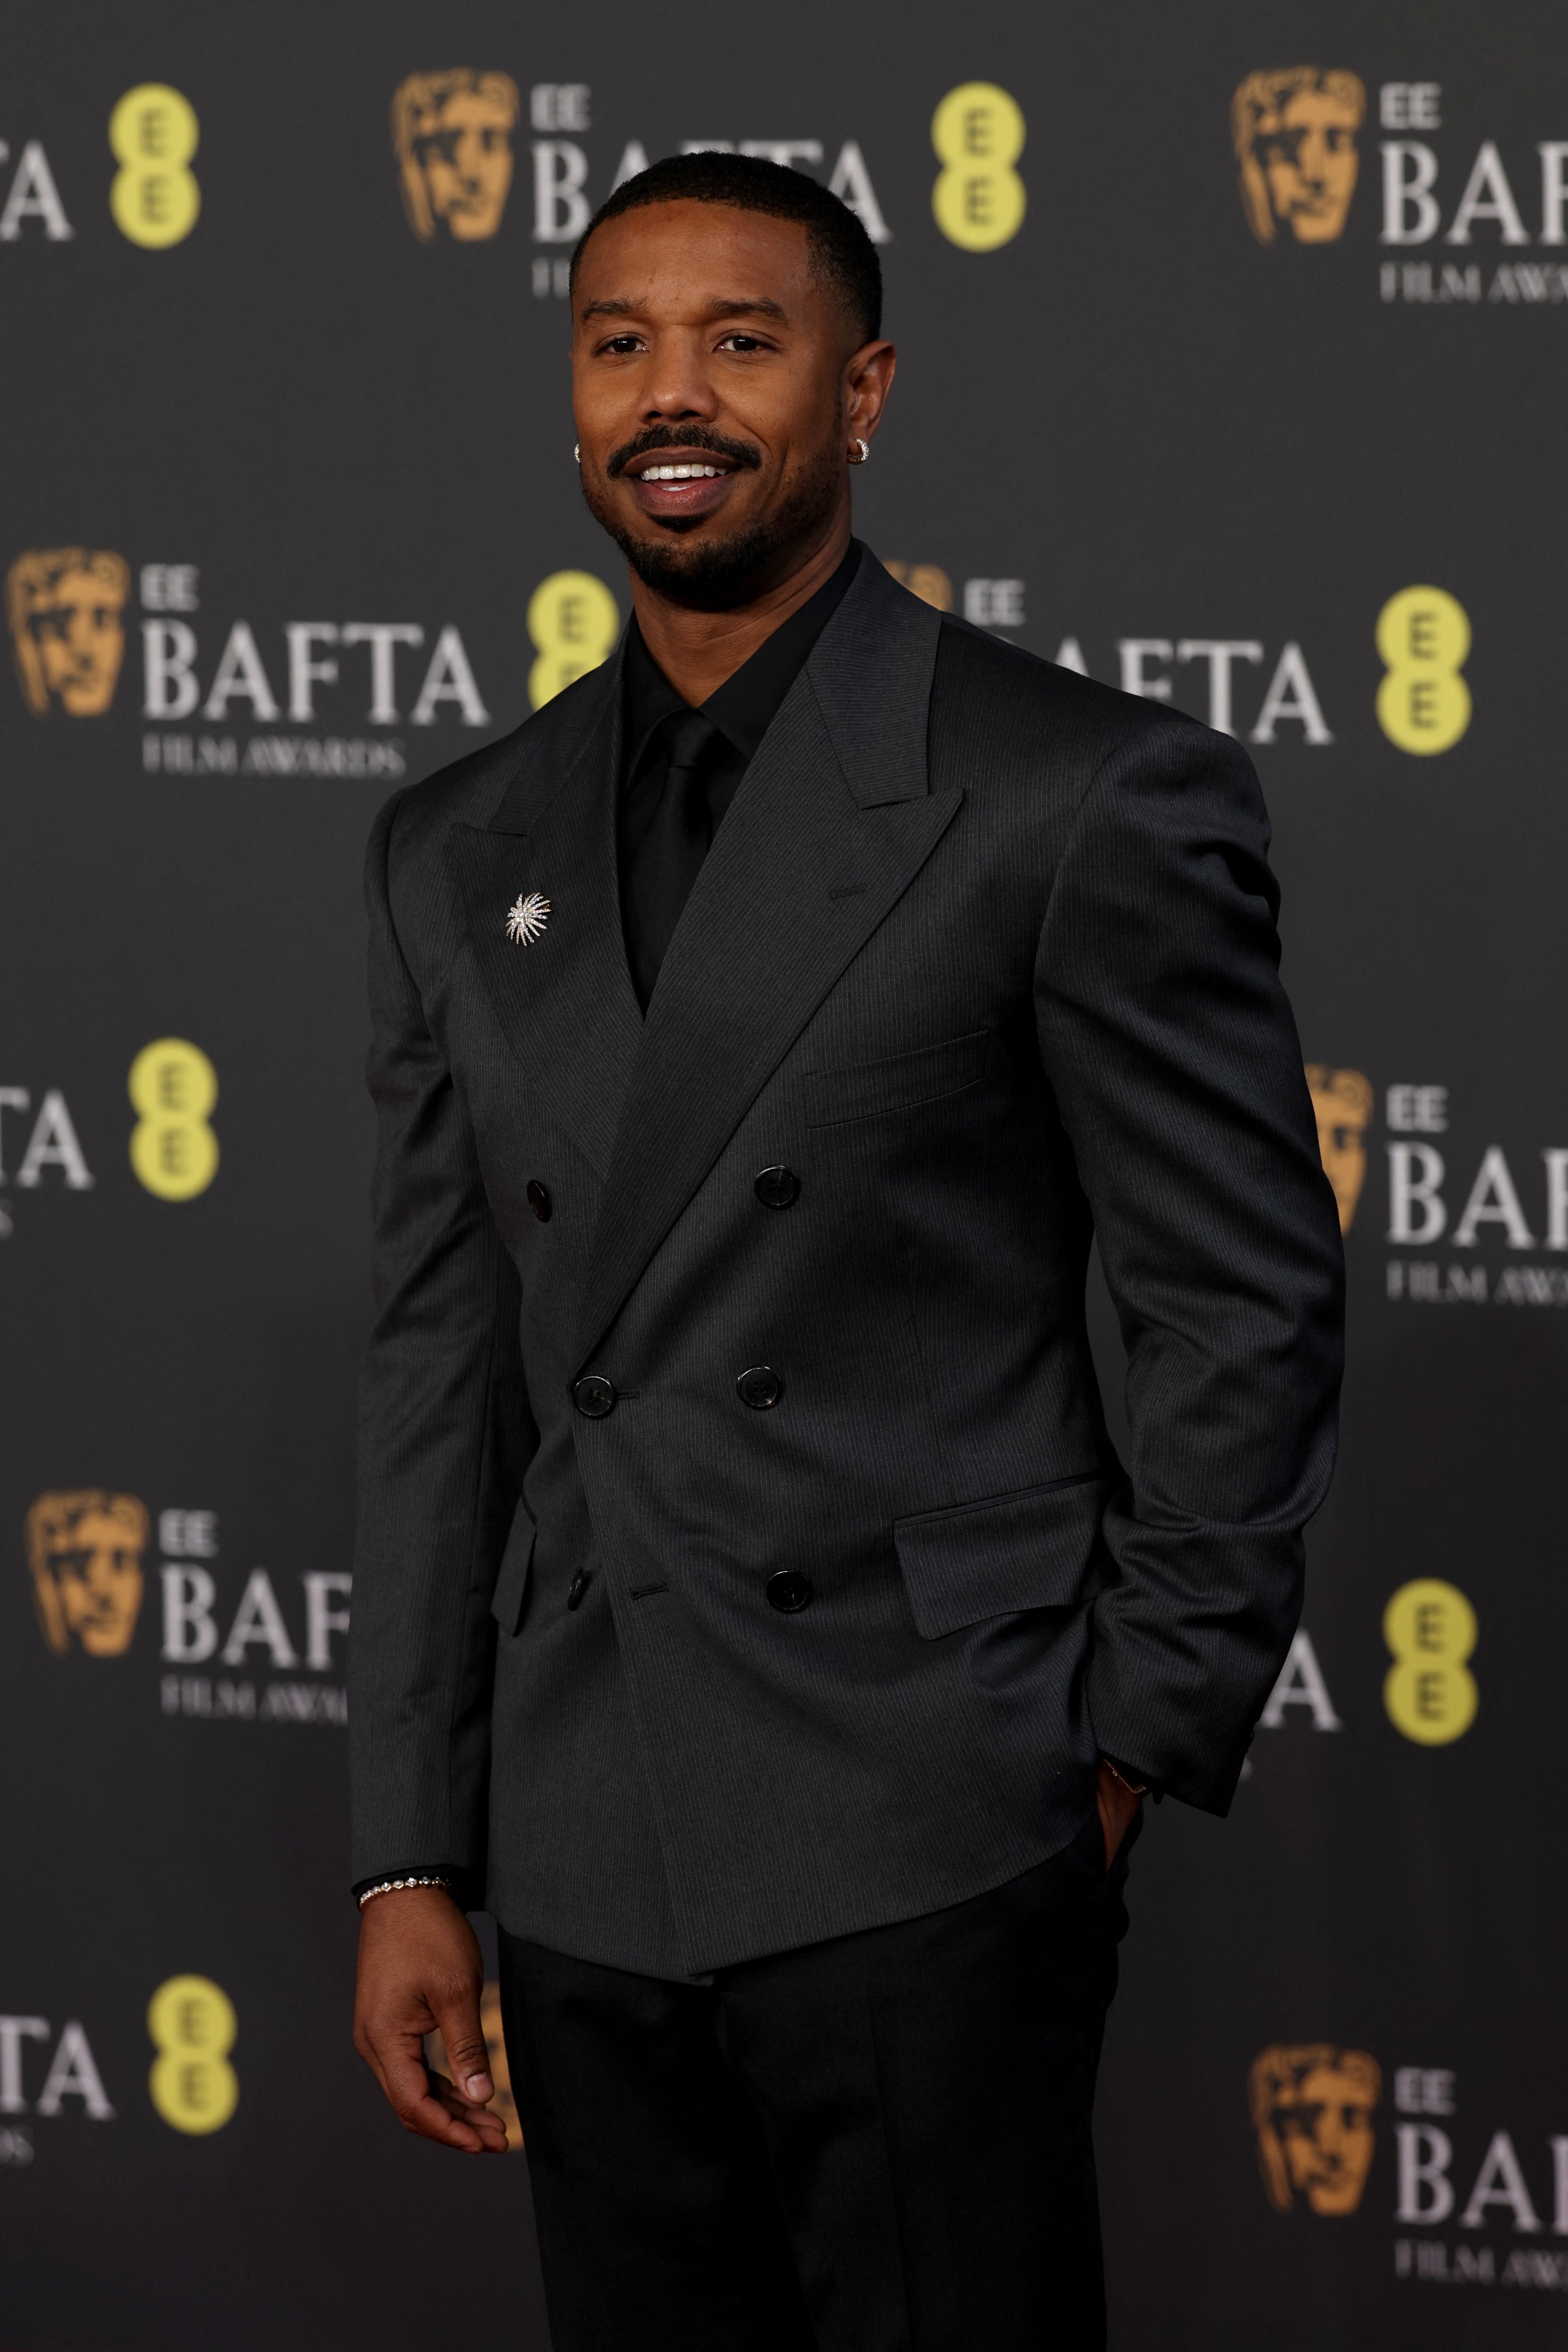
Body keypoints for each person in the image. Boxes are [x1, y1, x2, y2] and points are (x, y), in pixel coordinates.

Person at [349, 151, 1344, 2349]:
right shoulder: (450, 848)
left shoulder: (1075, 792)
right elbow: (448, 1367)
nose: (670, 394)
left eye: (741, 338)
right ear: (575, 400)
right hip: (588, 1840)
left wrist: (1109, 1756)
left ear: (864, 390)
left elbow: (1238, 1302)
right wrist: (414, 1853)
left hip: (925, 1820)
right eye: (620, 345)